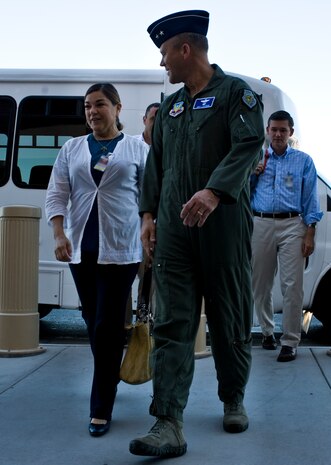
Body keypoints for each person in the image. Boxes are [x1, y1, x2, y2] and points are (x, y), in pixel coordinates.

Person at [129, 9, 265, 458]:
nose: (162, 63)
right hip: (173, 231)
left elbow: (248, 145)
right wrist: (148, 215)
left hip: (222, 227)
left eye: (165, 53)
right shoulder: (170, 106)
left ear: (186, 49)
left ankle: (233, 397)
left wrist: (214, 191)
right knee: (171, 324)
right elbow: (157, 164)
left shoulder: (235, 95)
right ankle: (168, 422)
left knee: (229, 319)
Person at [45, 82, 148, 437]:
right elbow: (56, 194)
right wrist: (59, 234)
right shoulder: (72, 149)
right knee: (94, 321)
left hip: (121, 251)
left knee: (105, 324)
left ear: (118, 108)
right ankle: (108, 377)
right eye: (87, 106)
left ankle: (100, 406)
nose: (92, 112)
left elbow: (151, 197)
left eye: (100, 105)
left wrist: (152, 236)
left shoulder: (136, 148)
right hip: (81, 250)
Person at [251, 110, 323, 362]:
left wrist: (310, 232)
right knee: (260, 284)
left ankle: (290, 340)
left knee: (293, 285)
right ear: (267, 131)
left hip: (293, 223)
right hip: (260, 222)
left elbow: (310, 198)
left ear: (291, 132)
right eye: (274, 129)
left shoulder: (303, 161)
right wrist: (253, 173)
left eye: (283, 130)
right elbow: (239, 192)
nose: (279, 134)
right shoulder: (257, 158)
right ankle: (268, 332)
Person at [125, 102, 160, 325]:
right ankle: (124, 327)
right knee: (124, 278)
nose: (157, 123)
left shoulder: (169, 148)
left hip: (155, 225)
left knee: (150, 279)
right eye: (153, 118)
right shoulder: (127, 145)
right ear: (144, 120)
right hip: (128, 225)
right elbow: (103, 170)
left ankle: (145, 326)